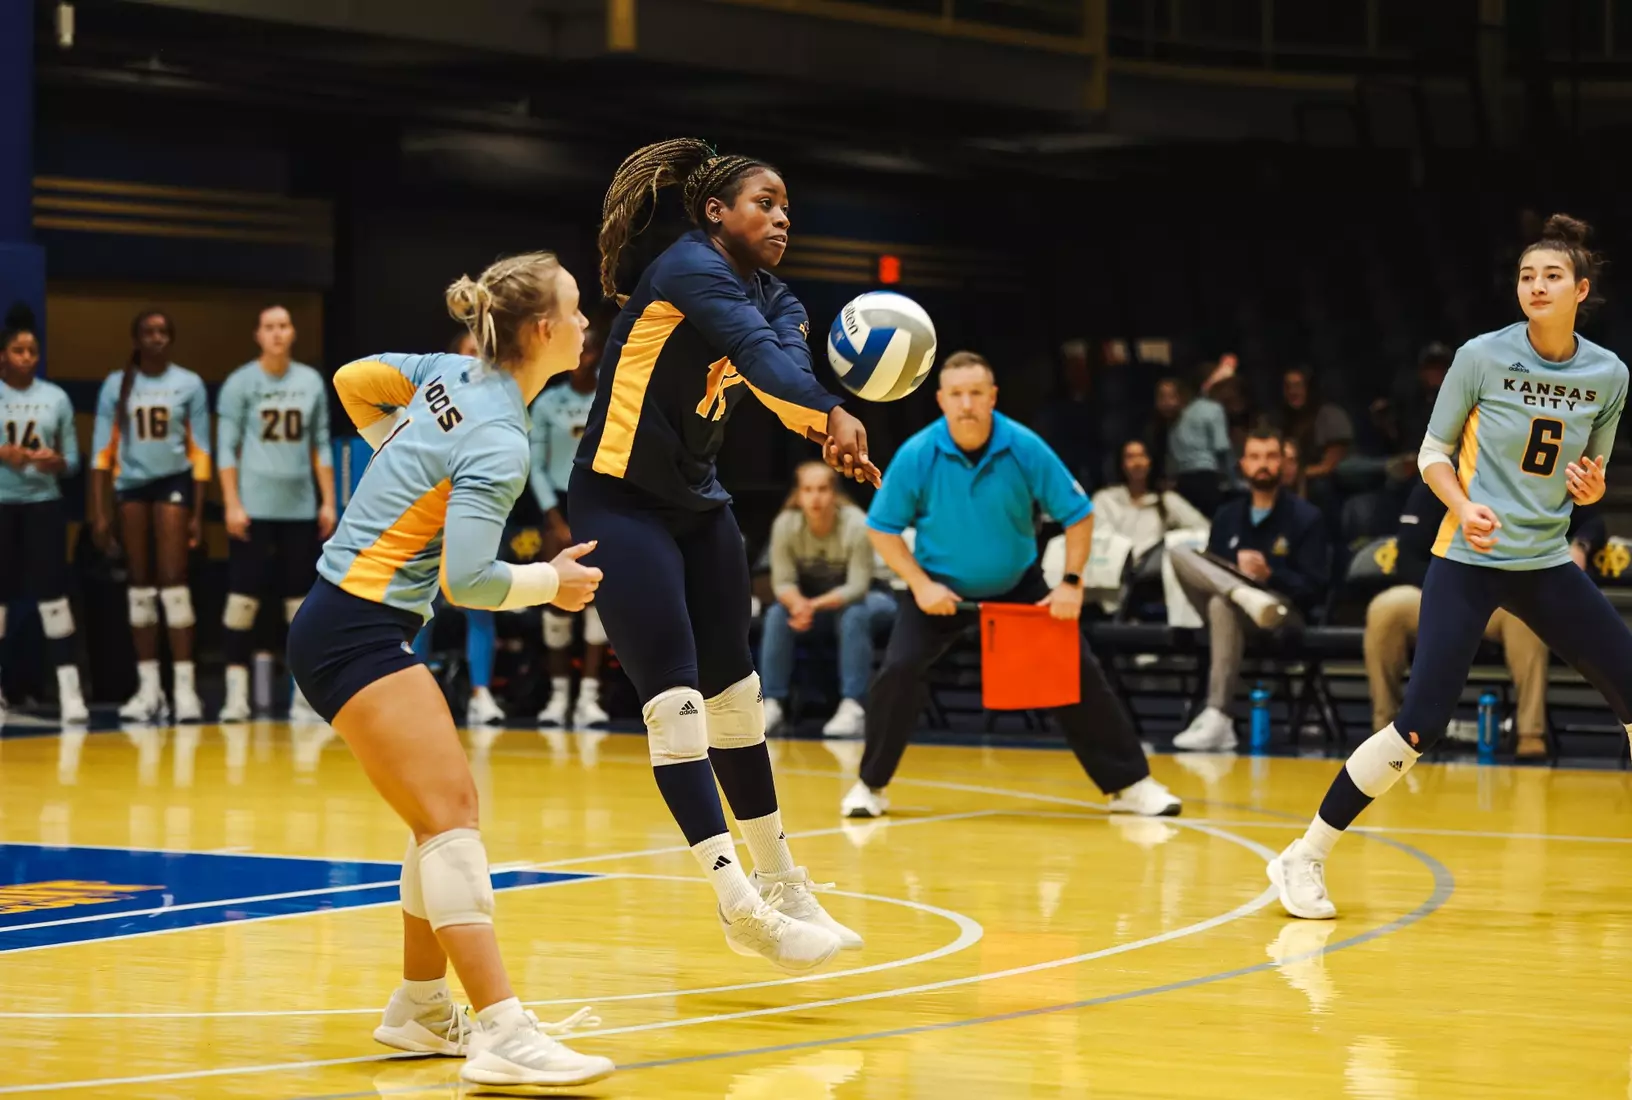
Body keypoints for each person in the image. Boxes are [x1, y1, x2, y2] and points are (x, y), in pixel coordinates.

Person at [285, 252, 614, 1086]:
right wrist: (555, 582)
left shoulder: (445, 372)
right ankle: (502, 1030)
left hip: (344, 621)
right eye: (575, 311)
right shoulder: (501, 439)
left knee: (436, 819)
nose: (584, 325)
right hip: (353, 630)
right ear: (542, 331)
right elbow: (469, 582)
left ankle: (421, 1010)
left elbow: (354, 380)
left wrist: (397, 453)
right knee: (454, 816)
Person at [1271, 213, 1632, 921]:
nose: (1536, 285)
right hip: (1469, 557)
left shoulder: (1608, 374)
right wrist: (1464, 508)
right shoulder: (1480, 356)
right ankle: (1303, 856)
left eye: (1552, 275)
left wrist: (1590, 488)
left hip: (1547, 560)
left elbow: (1591, 472)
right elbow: (1433, 455)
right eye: (1527, 275)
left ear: (1580, 290)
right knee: (1419, 724)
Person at [571, 137, 876, 973]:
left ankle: (782, 880)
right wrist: (833, 411)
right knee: (676, 705)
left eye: (787, 208)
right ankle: (736, 901)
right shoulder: (685, 270)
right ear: (716, 213)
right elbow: (757, 353)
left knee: (739, 701)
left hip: (698, 505)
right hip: (620, 501)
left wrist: (823, 423)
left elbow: (778, 376)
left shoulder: (778, 296)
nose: (783, 218)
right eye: (765, 203)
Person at [844, 351, 1183, 819]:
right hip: (937, 588)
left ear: (993, 397)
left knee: (1076, 671)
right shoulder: (918, 453)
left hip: (1017, 583)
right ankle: (869, 786)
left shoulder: (1024, 447)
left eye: (976, 393)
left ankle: (1131, 785)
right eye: (957, 394)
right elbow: (881, 528)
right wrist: (920, 585)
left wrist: (1070, 583)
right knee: (898, 672)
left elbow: (1079, 516)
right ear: (941, 400)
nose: (967, 404)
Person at [1365, 480, 1604, 761]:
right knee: (1385, 608)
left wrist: (1580, 546)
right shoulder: (1439, 478)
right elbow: (1407, 557)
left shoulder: (1529, 476)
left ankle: (1530, 733)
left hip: (1507, 595)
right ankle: (1386, 731)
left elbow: (1593, 522)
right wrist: (1450, 586)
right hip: (1440, 590)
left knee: (1526, 614)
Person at [1169, 426, 1331, 752]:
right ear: (1242, 465)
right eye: (1255, 457)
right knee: (1179, 553)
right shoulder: (1227, 516)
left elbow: (1316, 589)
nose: (1263, 464)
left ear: (1283, 464)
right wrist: (1238, 582)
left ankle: (1219, 716)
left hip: (1283, 612)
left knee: (1220, 604)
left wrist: (1271, 575)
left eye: (1271, 457)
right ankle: (1241, 593)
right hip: (1236, 610)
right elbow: (1208, 570)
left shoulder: (1306, 517)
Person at [217, 305, 335, 722]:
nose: (277, 334)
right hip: (253, 509)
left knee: (298, 606)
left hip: (299, 508)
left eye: (284, 325)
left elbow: (320, 443)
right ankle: (235, 695)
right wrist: (231, 502)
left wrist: (328, 500)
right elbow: (225, 448)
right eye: (269, 327)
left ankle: (302, 696)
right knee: (242, 601)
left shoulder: (310, 382)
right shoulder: (239, 383)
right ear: (257, 334)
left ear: (293, 332)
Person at [91, 310, 211, 723]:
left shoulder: (189, 383)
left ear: (171, 338)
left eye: (163, 332)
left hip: (173, 481)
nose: (156, 338)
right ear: (136, 338)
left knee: (174, 583)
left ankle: (185, 689)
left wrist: (197, 513)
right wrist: (99, 511)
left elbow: (201, 452)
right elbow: (101, 452)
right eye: (148, 332)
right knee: (140, 587)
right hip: (131, 487)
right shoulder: (116, 385)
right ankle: (149, 690)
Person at [408, 332, 506, 726]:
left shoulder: (502, 408)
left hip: (477, 515)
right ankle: (413, 696)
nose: (477, 359)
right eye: (469, 352)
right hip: (431, 517)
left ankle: (482, 695)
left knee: (478, 603)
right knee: (421, 607)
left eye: (483, 354)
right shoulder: (431, 405)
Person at [760, 461, 896, 737]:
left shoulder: (856, 523)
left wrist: (810, 606)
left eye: (823, 489)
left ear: (835, 494)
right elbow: (782, 582)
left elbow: (858, 586)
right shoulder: (786, 525)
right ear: (798, 495)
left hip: (874, 596)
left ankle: (853, 705)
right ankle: (772, 702)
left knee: (854, 614)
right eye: (808, 490)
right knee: (777, 614)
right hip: (818, 606)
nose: (816, 497)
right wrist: (798, 605)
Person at [0, 305, 87, 723]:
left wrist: (56, 461)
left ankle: (70, 691)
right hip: (2, 504)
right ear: (4, 355)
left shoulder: (56, 398)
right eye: (18, 351)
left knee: (54, 597)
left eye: (32, 351)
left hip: (43, 505)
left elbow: (73, 460)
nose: (27, 358)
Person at [531, 323, 609, 729]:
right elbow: (535, 466)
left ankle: (590, 698)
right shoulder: (546, 404)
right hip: (558, 507)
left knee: (595, 602)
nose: (585, 359)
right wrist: (554, 517)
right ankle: (558, 696)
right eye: (581, 351)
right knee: (554, 601)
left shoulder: (610, 399)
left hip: (598, 505)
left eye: (592, 351)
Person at [1090, 438, 1209, 562]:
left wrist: (1174, 544)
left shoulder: (1166, 500)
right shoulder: (1105, 499)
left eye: (1142, 456)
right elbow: (1098, 539)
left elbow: (1202, 529)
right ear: (1121, 464)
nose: (1137, 463)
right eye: (1130, 457)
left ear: (1151, 461)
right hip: (1112, 570)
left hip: (1153, 572)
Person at [1166, 369, 1233, 516]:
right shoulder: (1214, 409)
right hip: (1207, 479)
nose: (1228, 391)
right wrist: (1232, 481)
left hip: (1182, 482)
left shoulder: (1180, 414)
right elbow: (1221, 447)